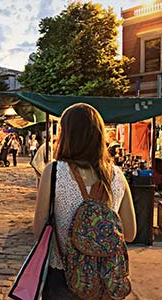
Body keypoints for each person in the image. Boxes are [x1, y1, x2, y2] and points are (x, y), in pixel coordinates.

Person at [34, 103, 137, 299]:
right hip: (105, 279)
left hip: (62, 277)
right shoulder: (116, 175)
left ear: (66, 135)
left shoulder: (54, 172)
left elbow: (39, 231)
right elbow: (130, 233)